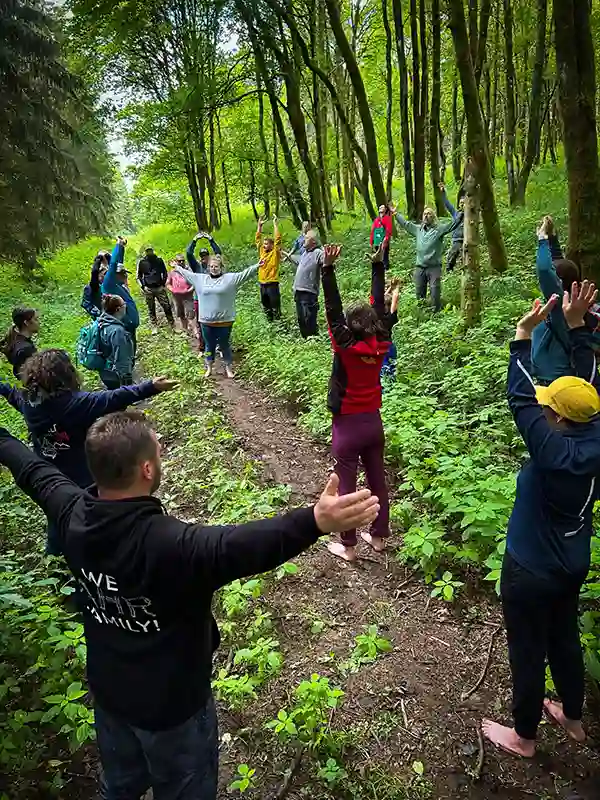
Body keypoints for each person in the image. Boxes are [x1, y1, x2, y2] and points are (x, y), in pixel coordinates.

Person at [0, 409, 380, 798]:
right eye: (159, 451)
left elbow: (31, 469)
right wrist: (314, 521)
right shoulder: (172, 546)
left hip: (109, 695)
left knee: (118, 787)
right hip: (174, 711)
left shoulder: (69, 514)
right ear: (147, 469)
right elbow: (242, 547)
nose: (161, 454)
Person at [482, 281, 600, 759]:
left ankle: (524, 736)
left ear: (557, 419)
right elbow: (586, 387)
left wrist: (521, 335)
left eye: (551, 407)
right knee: (564, 636)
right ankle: (573, 718)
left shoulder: (551, 449)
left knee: (527, 650)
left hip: (529, 568)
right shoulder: (593, 433)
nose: (544, 407)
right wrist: (577, 330)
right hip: (572, 563)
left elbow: (520, 397)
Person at [0, 350, 177, 554]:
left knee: (58, 518)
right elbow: (113, 397)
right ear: (66, 374)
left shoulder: (30, 404)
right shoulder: (75, 404)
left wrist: (3, 388)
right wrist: (151, 386)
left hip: (50, 478)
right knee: (95, 518)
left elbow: (13, 395)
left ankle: (56, 560)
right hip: (82, 479)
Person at [321, 244, 391, 562]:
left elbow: (333, 309)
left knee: (347, 484)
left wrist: (327, 269)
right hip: (373, 423)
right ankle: (378, 539)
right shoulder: (384, 341)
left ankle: (348, 546)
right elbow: (378, 309)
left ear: (351, 328)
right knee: (377, 477)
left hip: (348, 426)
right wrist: (378, 267)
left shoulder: (346, 346)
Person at [530, 220, 600, 385]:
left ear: (558, 283)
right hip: (566, 375)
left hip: (554, 381)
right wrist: (552, 239)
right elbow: (558, 266)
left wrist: (541, 240)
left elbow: (546, 271)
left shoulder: (558, 307)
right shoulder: (576, 306)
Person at [175, 254, 260, 379]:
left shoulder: (230, 279)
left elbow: (246, 273)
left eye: (215, 266)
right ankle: (209, 367)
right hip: (206, 322)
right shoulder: (200, 279)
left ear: (221, 267)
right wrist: (177, 267)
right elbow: (187, 274)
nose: (213, 268)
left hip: (225, 321)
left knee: (224, 345)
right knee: (209, 346)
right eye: (210, 266)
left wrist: (258, 265)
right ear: (208, 268)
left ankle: (228, 368)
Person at [391, 203, 462, 312]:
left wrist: (462, 212)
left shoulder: (439, 229)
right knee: (419, 293)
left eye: (429, 214)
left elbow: (452, 224)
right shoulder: (418, 229)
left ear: (433, 217)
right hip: (420, 267)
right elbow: (406, 224)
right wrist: (396, 214)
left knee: (435, 292)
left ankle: (436, 314)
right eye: (424, 214)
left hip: (434, 267)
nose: (426, 216)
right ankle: (422, 314)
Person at [102, 237, 140, 354]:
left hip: (129, 325)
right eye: (122, 274)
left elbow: (119, 263)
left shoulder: (117, 284)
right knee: (125, 352)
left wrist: (122, 248)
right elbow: (113, 264)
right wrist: (118, 245)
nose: (125, 276)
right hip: (123, 326)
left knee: (131, 349)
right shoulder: (109, 284)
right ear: (115, 275)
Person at [97, 295, 136, 389]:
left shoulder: (102, 323)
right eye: (124, 304)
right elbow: (122, 358)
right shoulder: (117, 331)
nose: (126, 306)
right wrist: (127, 380)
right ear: (118, 309)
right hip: (116, 375)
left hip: (105, 371)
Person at [293, 230, 323, 339]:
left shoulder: (318, 253)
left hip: (309, 292)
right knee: (301, 319)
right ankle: (305, 339)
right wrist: (286, 254)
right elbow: (297, 261)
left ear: (313, 242)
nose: (303, 239)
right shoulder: (305, 253)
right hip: (298, 291)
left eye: (306, 238)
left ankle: (313, 339)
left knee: (309, 318)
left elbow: (326, 262)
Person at [137, 247, 175, 332]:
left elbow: (164, 272)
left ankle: (172, 324)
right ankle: (154, 325)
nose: (149, 252)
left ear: (152, 251)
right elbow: (139, 276)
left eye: (150, 250)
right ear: (146, 252)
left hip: (159, 287)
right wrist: (143, 286)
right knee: (151, 308)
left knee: (167, 306)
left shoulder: (159, 260)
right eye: (147, 251)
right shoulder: (142, 262)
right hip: (148, 288)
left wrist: (163, 283)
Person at [0, 307, 39, 379]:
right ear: (26, 323)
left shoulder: (14, 338)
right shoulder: (26, 349)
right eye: (36, 319)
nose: (39, 322)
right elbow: (32, 376)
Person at [256, 215, 282, 321]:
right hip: (262, 284)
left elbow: (278, 240)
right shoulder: (262, 251)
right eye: (264, 243)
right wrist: (259, 226)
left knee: (275, 307)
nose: (264, 245)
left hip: (272, 284)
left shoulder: (275, 253)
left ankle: (279, 324)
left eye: (267, 244)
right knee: (266, 307)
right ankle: (270, 323)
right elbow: (257, 240)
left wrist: (275, 225)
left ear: (272, 245)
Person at [166, 255, 197, 336]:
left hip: (188, 295)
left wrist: (190, 290)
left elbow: (195, 282)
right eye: (179, 261)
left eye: (183, 260)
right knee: (180, 313)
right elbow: (168, 284)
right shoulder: (172, 272)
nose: (181, 262)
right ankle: (185, 329)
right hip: (177, 297)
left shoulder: (188, 270)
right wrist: (173, 290)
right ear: (176, 262)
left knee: (191, 313)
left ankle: (195, 331)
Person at [438, 183, 465, 272]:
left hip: (465, 240)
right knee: (452, 256)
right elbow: (447, 204)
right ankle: (449, 270)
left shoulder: (470, 215)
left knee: (464, 257)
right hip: (456, 240)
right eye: (461, 203)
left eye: (463, 203)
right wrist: (443, 192)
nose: (461, 204)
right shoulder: (456, 214)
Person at [82, 251, 110, 319]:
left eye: (106, 274)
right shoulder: (91, 287)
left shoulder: (109, 285)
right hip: (101, 318)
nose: (105, 276)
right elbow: (86, 304)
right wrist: (98, 259)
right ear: (98, 275)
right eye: (103, 274)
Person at [370, 204, 393, 270]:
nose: (380, 208)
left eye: (382, 207)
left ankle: (386, 270)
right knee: (378, 256)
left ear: (385, 209)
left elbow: (389, 230)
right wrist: (371, 242)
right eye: (380, 207)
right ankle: (380, 270)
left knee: (385, 256)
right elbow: (373, 231)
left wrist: (386, 239)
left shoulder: (387, 218)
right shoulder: (376, 220)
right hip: (377, 242)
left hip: (384, 242)